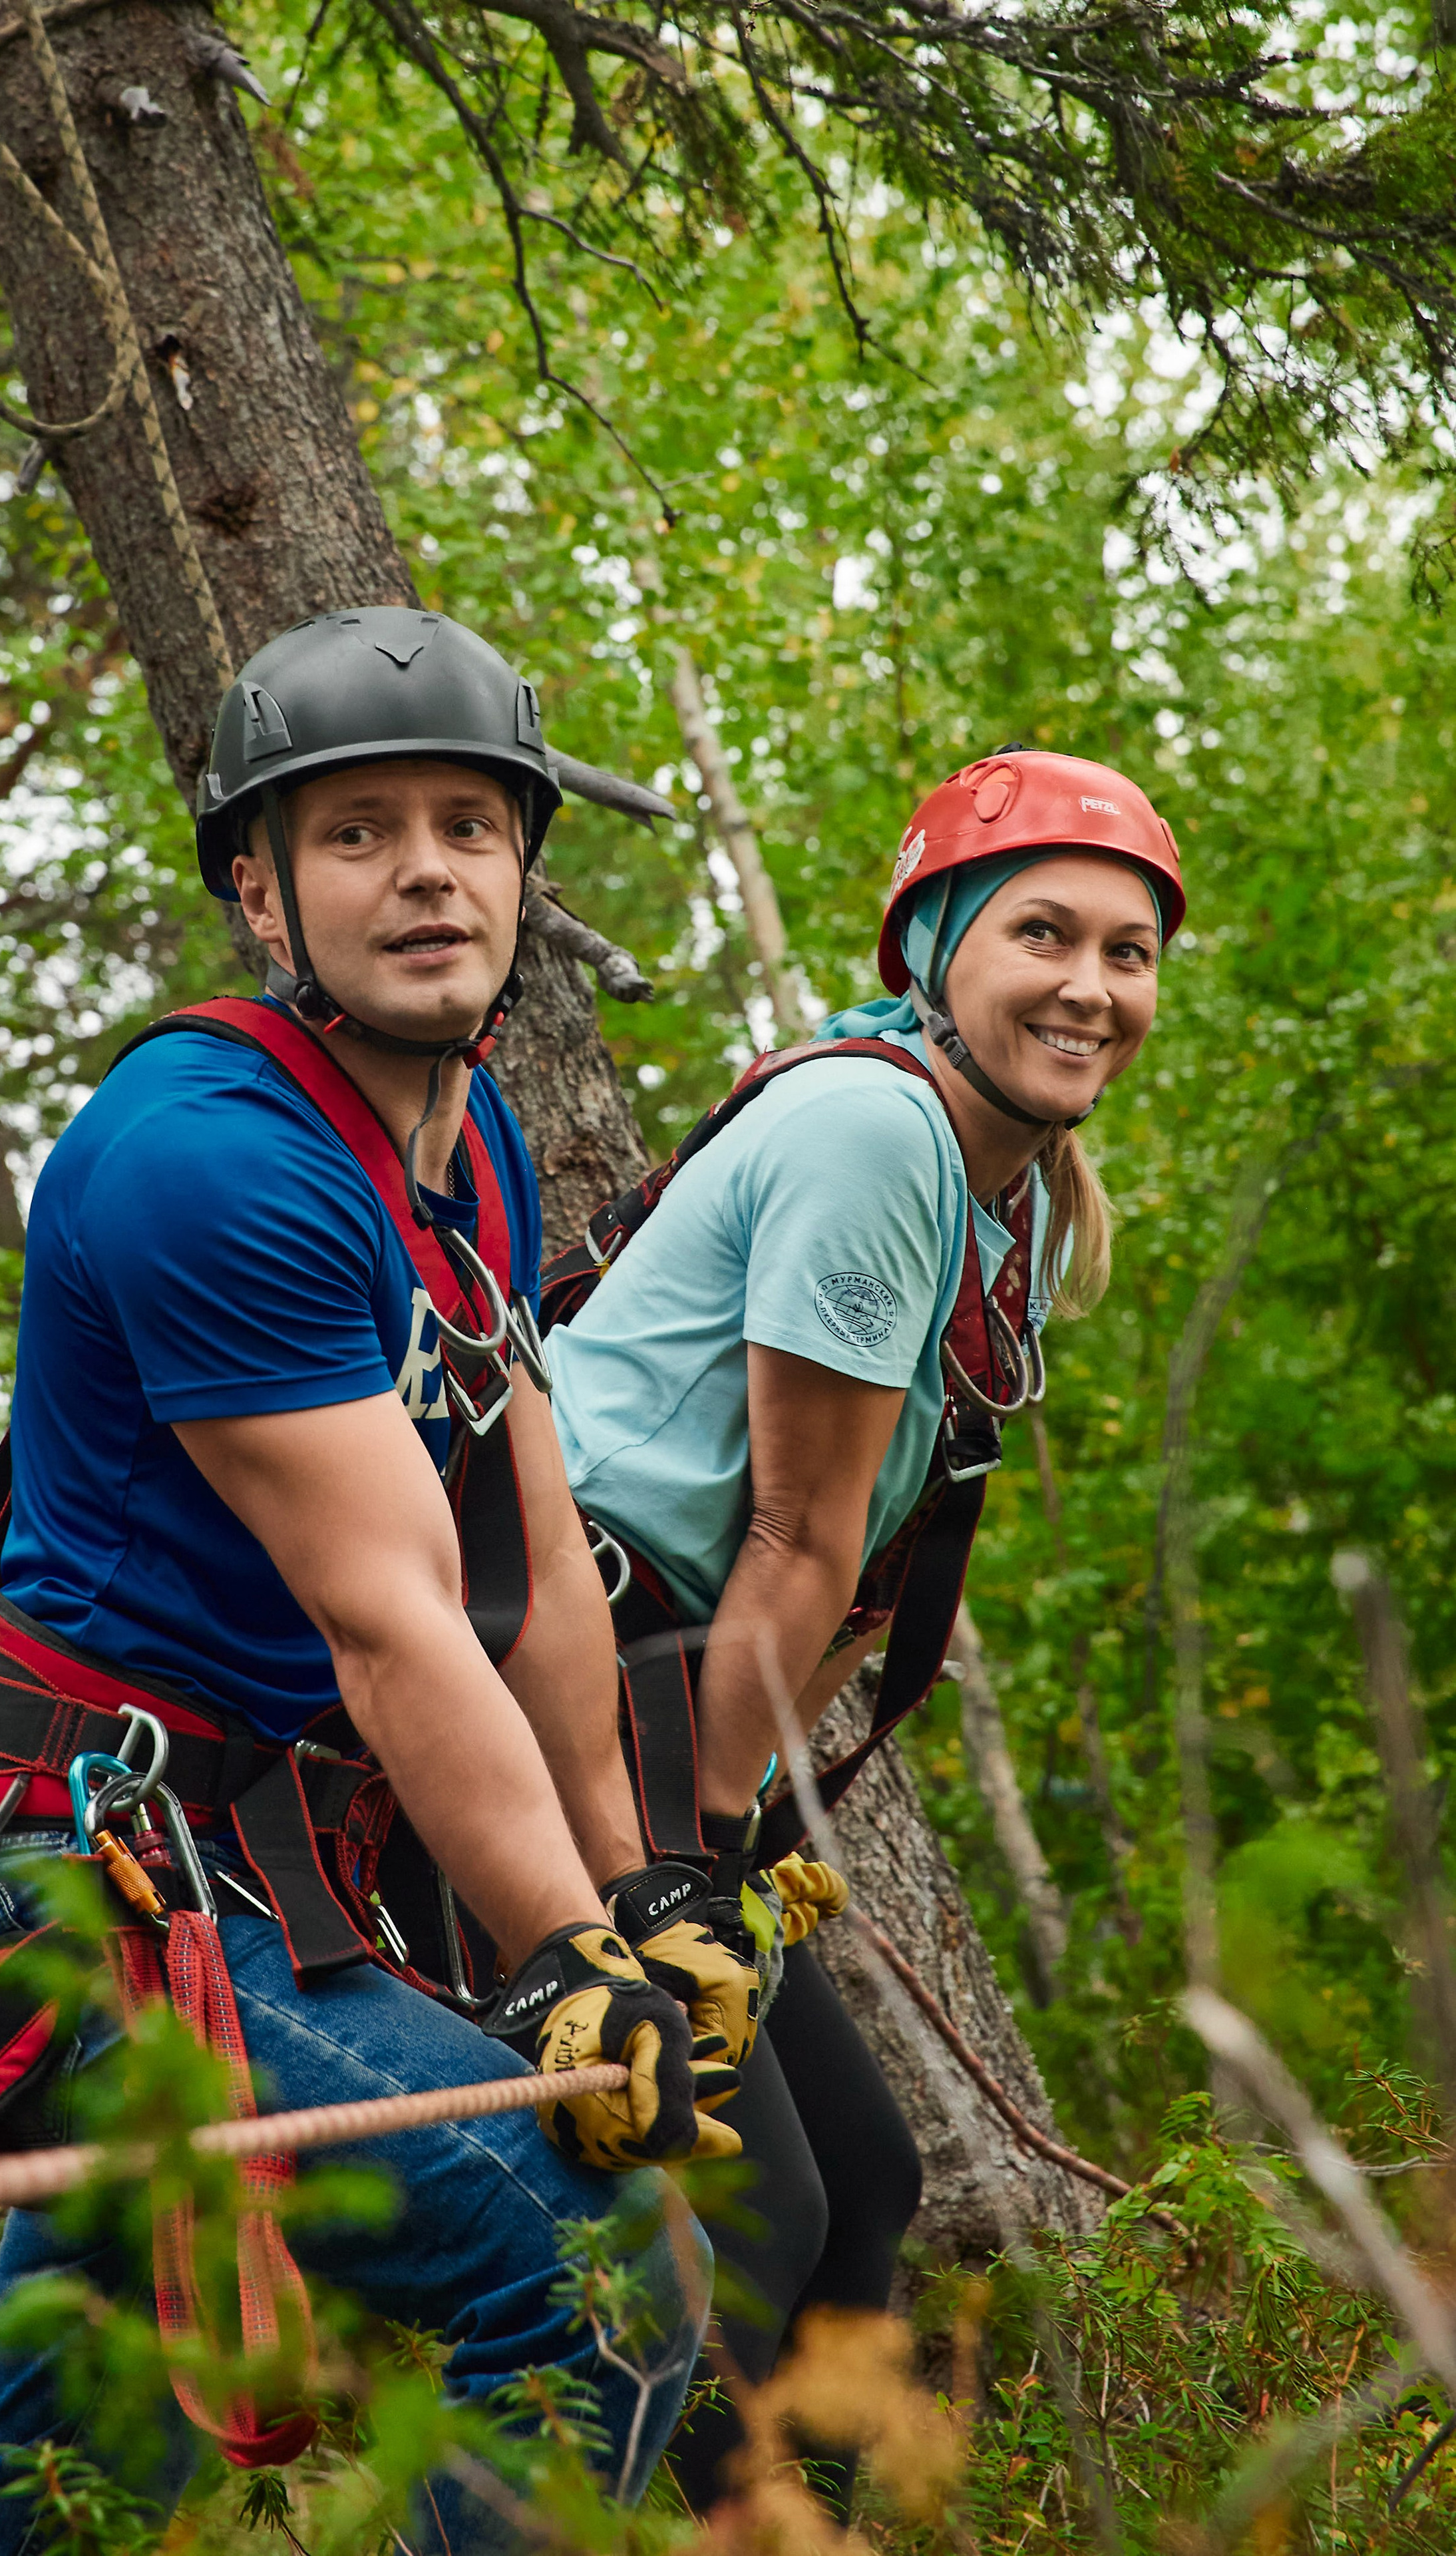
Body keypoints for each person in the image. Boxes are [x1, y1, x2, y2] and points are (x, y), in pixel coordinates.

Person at [0, 609, 750, 2555]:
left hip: (227, 1868)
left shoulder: (465, 1135)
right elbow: (394, 1618)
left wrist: (634, 1895)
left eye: (470, 826)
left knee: (69, 2480)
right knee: (601, 2272)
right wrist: (562, 1963)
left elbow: (535, 1559)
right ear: (263, 897)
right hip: (81, 1876)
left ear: (525, 870)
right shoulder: (207, 1161)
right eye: (358, 832)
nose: (427, 872)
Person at [544, 747, 1184, 2513]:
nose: (1091, 986)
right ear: (936, 947)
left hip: (672, 1713)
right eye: (1044, 934)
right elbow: (800, 1537)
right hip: (565, 1691)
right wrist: (684, 1862)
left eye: (1129, 953)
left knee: (863, 2189)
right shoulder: (877, 1134)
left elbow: (864, 1576)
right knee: (750, 2218)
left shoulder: (1009, 1206)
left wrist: (740, 1821)